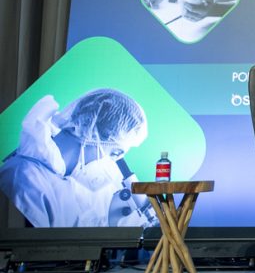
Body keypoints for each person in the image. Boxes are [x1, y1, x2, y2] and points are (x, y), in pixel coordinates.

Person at [0, 89, 149, 227]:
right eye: (115, 153)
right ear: (91, 134)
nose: (111, 163)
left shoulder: (76, 182)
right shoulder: (22, 179)